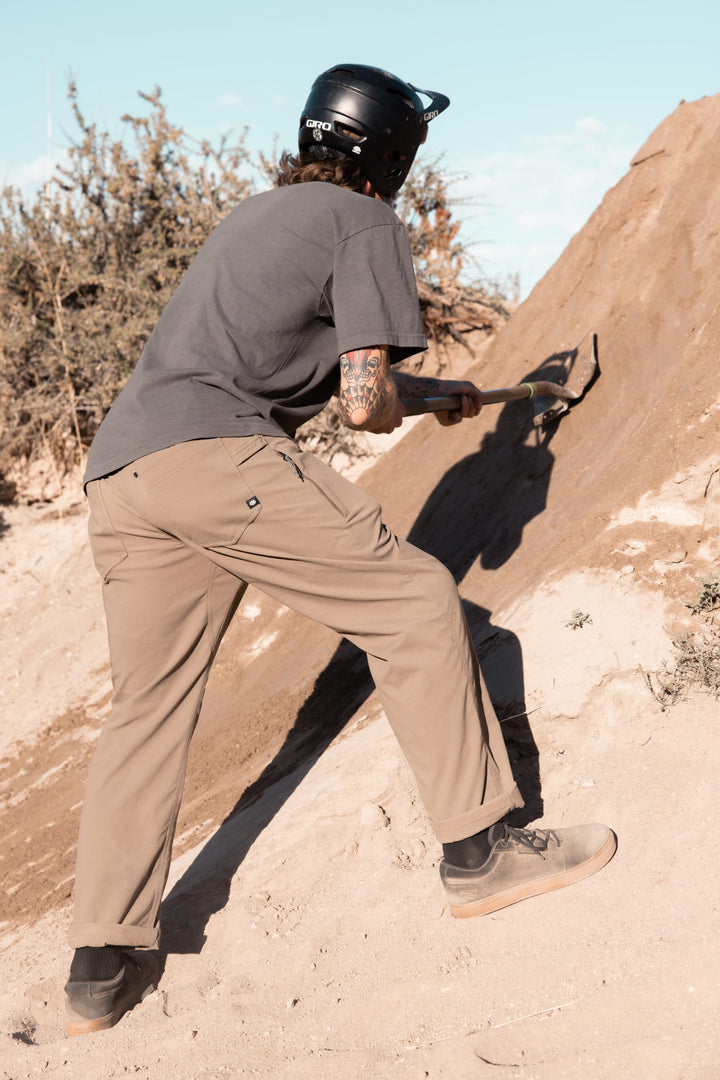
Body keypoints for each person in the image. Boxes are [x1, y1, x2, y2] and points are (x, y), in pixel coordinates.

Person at [64, 64, 616, 1036]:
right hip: (218, 455)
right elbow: (362, 404)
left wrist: (434, 395)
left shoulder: (261, 216)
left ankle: (99, 964)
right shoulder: (365, 221)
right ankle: (482, 853)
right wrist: (394, 398)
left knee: (147, 708)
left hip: (125, 472)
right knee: (414, 602)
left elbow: (319, 373)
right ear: (391, 153)